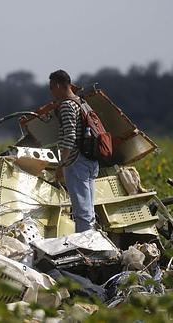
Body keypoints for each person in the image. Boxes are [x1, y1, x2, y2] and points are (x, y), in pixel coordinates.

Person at [50, 69, 99, 232]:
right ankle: (92, 245)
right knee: (89, 210)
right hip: (91, 160)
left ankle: (85, 250)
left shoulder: (66, 105)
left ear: (57, 85)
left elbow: (69, 137)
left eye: (51, 87)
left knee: (82, 213)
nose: (52, 92)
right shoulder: (81, 101)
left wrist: (61, 164)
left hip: (76, 162)